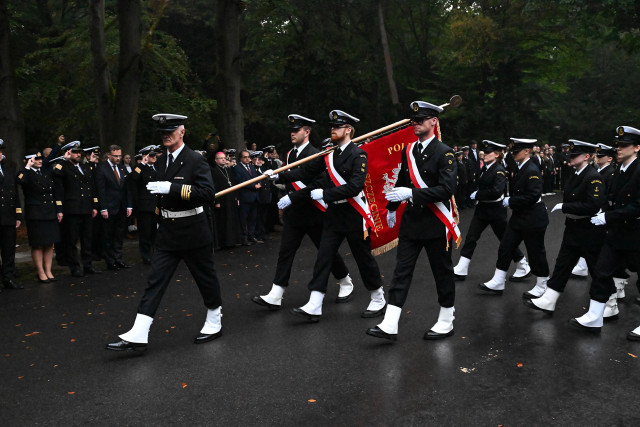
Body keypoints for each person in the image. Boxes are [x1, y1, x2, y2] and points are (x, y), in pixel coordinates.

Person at [106, 113, 223, 351]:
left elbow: (207, 194)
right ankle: (139, 331)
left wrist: (173, 188)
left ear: (182, 131)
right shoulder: (160, 161)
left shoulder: (195, 160)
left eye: (170, 130)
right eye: (162, 132)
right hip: (168, 232)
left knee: (205, 278)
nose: (165, 136)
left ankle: (214, 317)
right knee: (155, 280)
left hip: (193, 230)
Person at [266, 110, 386, 322]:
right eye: (331, 127)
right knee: (324, 257)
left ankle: (378, 297)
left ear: (348, 130)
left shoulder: (358, 154)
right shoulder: (329, 155)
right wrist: (277, 174)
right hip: (333, 215)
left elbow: (355, 187)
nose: (332, 130)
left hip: (352, 213)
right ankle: (315, 302)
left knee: (363, 258)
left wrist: (325, 194)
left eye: (337, 127)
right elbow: (305, 172)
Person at [366, 100, 459, 341]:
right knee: (401, 271)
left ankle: (447, 318)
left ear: (433, 121)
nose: (416, 124)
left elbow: (446, 190)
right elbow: (402, 181)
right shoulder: (409, 151)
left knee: (442, 271)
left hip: (435, 222)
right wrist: (392, 207)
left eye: (420, 120)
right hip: (411, 222)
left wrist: (412, 194)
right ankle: (390, 322)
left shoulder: (444, 152)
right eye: (414, 121)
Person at [252, 114, 353, 310]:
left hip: (313, 212)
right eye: (291, 130)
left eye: (296, 130)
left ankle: (345, 280)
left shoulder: (316, 153)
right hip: (294, 214)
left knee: (327, 253)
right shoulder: (290, 155)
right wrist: (276, 177)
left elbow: (318, 183)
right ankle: (277, 293)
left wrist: (293, 196)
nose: (292, 133)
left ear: (307, 132)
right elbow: (291, 178)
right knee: (285, 253)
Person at [565, 126, 640, 336]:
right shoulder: (619, 171)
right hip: (617, 232)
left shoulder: (638, 170)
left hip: (635, 232)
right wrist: (603, 215)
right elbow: (611, 199)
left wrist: (608, 216)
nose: (619, 148)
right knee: (601, 271)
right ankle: (595, 316)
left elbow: (637, 206)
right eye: (618, 144)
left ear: (637, 147)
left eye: (624, 145)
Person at [523, 140, 607, 315]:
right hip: (574, 227)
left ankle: (607, 305)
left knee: (597, 270)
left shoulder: (592, 176)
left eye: (575, 155)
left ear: (587, 156)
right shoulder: (575, 174)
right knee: (563, 264)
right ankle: (549, 299)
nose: (571, 158)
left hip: (589, 230)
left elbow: (593, 205)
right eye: (571, 155)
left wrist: (566, 207)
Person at [478, 138, 550, 298]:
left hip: (533, 217)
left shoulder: (531, 169)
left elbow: (533, 195)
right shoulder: (519, 167)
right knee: (506, 246)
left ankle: (543, 284)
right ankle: (498, 280)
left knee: (536, 252)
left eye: (517, 152)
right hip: (519, 216)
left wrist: (511, 200)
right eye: (513, 151)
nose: (513, 154)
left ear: (527, 151)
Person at [453, 140, 530, 282]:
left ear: (496, 154)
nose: (485, 154)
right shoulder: (487, 168)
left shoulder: (499, 170)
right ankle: (462, 268)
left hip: (495, 211)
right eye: (485, 152)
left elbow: (496, 191)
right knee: (471, 237)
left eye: (488, 152)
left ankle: (523, 264)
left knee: (505, 240)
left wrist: (478, 194)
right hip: (482, 209)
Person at [52, 141, 100, 277]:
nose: (78, 155)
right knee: (72, 240)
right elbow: (55, 175)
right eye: (75, 152)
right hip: (72, 209)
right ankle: (75, 267)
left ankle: (88, 264)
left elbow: (92, 187)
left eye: (80, 152)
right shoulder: (64, 167)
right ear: (68, 153)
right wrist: (63, 160)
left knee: (87, 239)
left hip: (86, 208)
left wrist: (95, 205)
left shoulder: (85, 167)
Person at [17, 149, 61, 283]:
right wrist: (27, 166)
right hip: (36, 214)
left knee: (49, 243)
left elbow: (55, 191)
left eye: (41, 159)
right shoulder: (26, 173)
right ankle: (40, 271)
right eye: (36, 159)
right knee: (38, 244)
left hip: (49, 212)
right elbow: (20, 181)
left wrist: (59, 209)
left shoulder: (45, 173)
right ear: (30, 160)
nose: (40, 161)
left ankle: (48, 270)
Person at [95, 145, 132, 270]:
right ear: (109, 155)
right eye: (115, 156)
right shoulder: (102, 169)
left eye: (119, 156)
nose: (118, 158)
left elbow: (127, 189)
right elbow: (101, 190)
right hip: (109, 208)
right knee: (108, 236)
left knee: (119, 235)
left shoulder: (122, 168)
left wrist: (129, 205)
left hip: (121, 207)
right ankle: (110, 261)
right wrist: (103, 208)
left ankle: (118, 259)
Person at [129, 145, 160, 264]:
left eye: (154, 155)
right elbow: (134, 179)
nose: (154, 157)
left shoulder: (156, 168)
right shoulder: (139, 168)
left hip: (156, 205)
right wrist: (142, 163)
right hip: (145, 206)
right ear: (145, 156)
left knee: (155, 233)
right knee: (145, 233)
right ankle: (146, 256)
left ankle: (155, 254)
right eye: (151, 155)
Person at [0, 139, 23, 290]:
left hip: (8, 214)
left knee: (9, 249)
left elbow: (14, 192)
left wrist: (18, 214)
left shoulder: (8, 167)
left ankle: (8, 278)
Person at [211, 151, 241, 249]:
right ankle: (224, 243)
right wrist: (217, 201)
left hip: (231, 199)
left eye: (224, 158)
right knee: (223, 221)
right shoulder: (214, 171)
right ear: (216, 160)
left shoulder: (228, 170)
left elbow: (234, 185)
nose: (224, 159)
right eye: (221, 158)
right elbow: (214, 187)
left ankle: (232, 241)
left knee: (232, 220)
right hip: (222, 200)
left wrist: (237, 198)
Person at [233, 150, 262, 245]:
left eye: (248, 157)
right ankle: (244, 238)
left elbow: (257, 177)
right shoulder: (237, 168)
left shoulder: (252, 167)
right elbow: (240, 181)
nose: (247, 159)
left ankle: (251, 235)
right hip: (245, 197)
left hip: (254, 197)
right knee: (243, 219)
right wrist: (253, 186)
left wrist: (259, 183)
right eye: (245, 157)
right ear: (240, 158)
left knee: (253, 218)